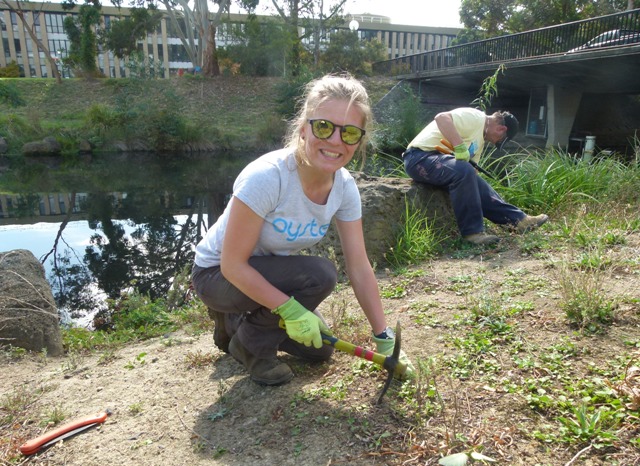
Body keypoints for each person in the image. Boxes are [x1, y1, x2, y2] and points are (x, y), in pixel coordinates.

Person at [191, 73, 414, 386]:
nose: (335, 141)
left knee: (319, 350)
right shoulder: (267, 177)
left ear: (359, 140)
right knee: (320, 275)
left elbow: (359, 266)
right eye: (324, 127)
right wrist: (290, 310)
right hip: (217, 276)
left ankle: (234, 323)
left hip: (261, 276)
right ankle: (249, 345)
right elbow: (232, 264)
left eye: (349, 132)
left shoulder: (344, 188)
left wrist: (383, 335)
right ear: (303, 127)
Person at [403, 108, 548, 245]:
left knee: (474, 179)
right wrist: (459, 146)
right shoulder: (475, 117)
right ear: (501, 129)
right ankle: (472, 233)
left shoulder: (480, 142)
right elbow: (441, 118)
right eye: (500, 139)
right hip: (419, 157)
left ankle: (518, 221)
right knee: (465, 170)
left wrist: (476, 182)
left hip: (438, 163)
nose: (495, 142)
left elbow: (470, 176)